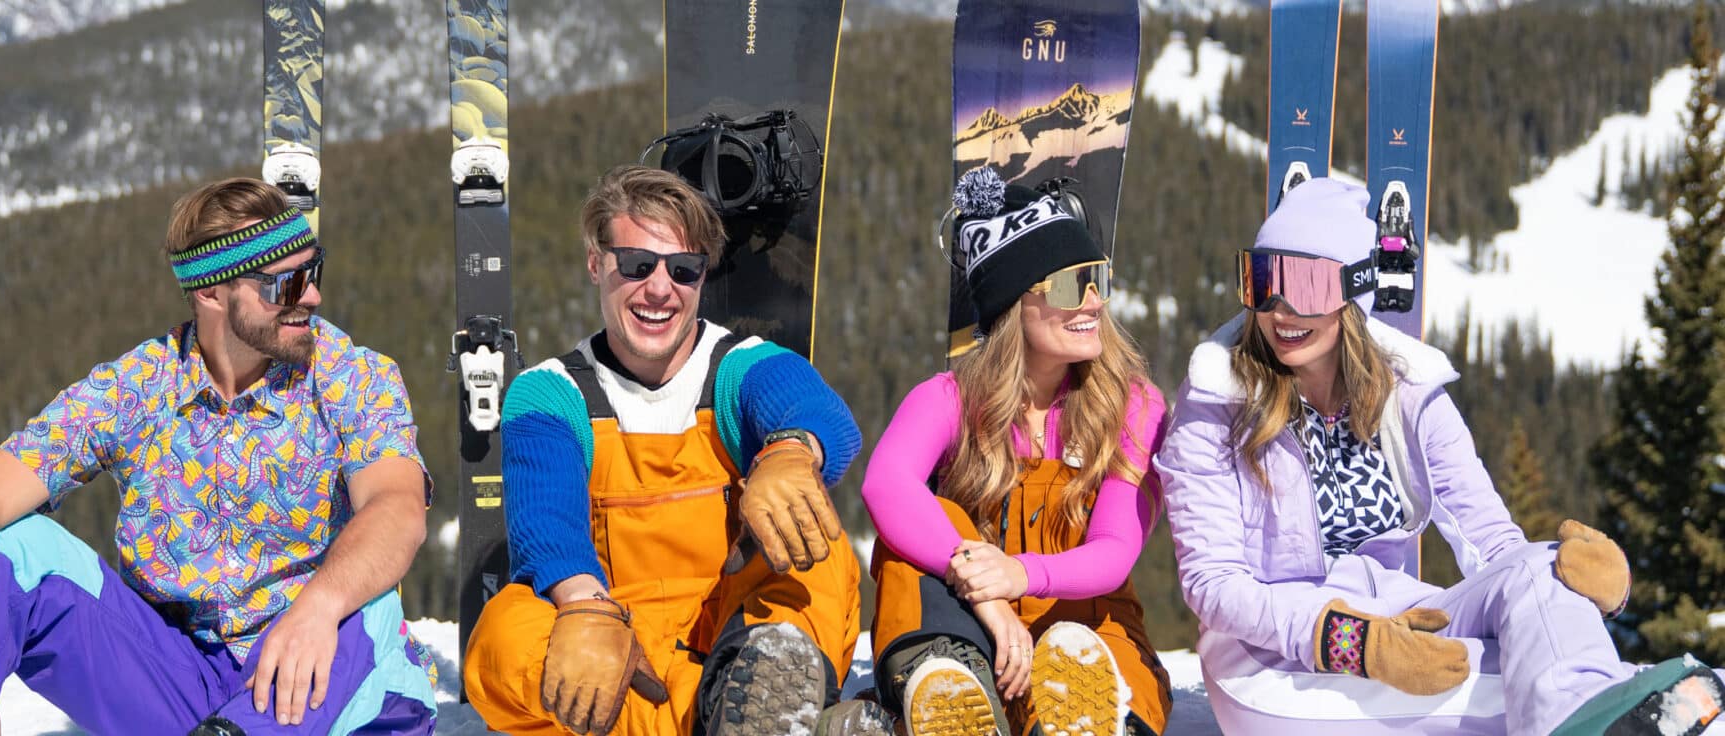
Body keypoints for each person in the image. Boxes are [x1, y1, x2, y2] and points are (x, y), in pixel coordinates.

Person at [1155, 177, 1724, 736]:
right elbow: (1213, 583)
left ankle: (1587, 716)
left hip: (1404, 621)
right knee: (1537, 675)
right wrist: (1352, 643)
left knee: (1540, 572)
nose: (1280, 308)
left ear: (1355, 292)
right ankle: (1596, 698)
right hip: (1273, 661)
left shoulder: (1410, 394)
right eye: (1262, 280)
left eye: (1305, 283)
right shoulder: (1217, 401)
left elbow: (1495, 547)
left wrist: (1574, 586)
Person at [0, 177, 438, 735]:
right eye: (284, 284)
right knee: (11, 551)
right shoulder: (137, 388)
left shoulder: (352, 376)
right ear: (211, 293)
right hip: (180, 678)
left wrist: (319, 605)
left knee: (369, 599)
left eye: (313, 272)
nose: (311, 296)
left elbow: (397, 509)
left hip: (322, 681)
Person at [462, 165, 883, 736]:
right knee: (502, 635)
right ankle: (752, 722)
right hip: (613, 645)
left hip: (738, 642)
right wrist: (584, 606)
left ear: (702, 278)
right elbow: (546, 525)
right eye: (637, 264)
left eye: (683, 270)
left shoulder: (735, 366)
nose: (660, 289)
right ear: (596, 262)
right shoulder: (552, 392)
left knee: (818, 554)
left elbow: (812, 405)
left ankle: (755, 703)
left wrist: (792, 449)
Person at [861, 167, 1172, 736]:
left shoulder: (1133, 405)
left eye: (1095, 278)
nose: (1093, 302)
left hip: (1089, 632)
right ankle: (950, 676)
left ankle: (1091, 715)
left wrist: (1019, 575)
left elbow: (1114, 550)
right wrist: (991, 601)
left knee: (1089, 662)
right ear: (1012, 306)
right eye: (1067, 284)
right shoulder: (950, 400)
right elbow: (885, 487)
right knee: (932, 527)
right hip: (977, 629)